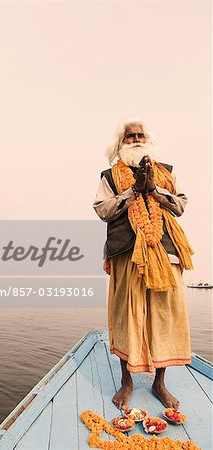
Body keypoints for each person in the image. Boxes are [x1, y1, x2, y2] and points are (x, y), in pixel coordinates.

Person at [93, 119, 193, 411]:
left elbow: (181, 205)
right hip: (127, 254)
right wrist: (133, 191)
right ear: (121, 142)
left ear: (147, 139)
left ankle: (159, 383)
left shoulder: (166, 172)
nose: (135, 139)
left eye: (140, 135)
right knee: (127, 315)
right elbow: (102, 210)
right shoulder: (110, 176)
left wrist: (154, 190)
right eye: (130, 136)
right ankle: (127, 382)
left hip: (166, 253)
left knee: (166, 317)